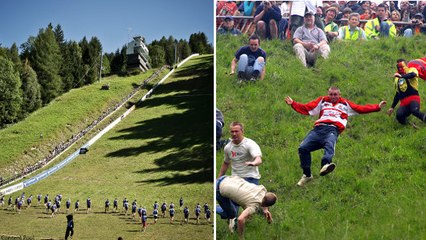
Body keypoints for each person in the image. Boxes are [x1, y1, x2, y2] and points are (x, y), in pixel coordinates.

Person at [285, 86, 386, 187]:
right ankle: (307, 175)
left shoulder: (345, 104)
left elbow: (360, 108)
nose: (333, 97)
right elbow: (307, 108)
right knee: (303, 148)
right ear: (328, 94)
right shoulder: (322, 101)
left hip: (333, 129)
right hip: (318, 129)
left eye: (335, 95)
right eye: (331, 94)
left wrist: (377, 107)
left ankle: (325, 165)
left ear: (339, 95)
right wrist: (293, 104)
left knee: (329, 144)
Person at [387, 59, 426, 125]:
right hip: (404, 102)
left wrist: (402, 76)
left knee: (414, 111)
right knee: (399, 115)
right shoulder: (396, 78)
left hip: (413, 98)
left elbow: (413, 74)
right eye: (398, 66)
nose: (399, 68)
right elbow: (397, 94)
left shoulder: (411, 69)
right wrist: (392, 107)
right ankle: (409, 126)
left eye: (401, 65)